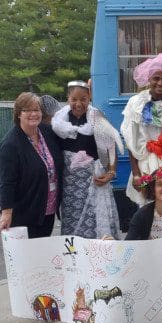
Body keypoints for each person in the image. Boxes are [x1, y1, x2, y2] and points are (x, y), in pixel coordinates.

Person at [51, 81, 123, 239]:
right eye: (74, 99)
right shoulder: (58, 122)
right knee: (72, 223)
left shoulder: (97, 117)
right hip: (69, 186)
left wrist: (111, 172)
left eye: (83, 99)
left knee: (96, 222)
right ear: (68, 98)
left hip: (94, 181)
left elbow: (111, 147)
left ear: (89, 97)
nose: (78, 104)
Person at [120, 53, 162, 206]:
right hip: (147, 160)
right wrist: (136, 174)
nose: (160, 83)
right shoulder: (136, 103)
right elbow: (131, 141)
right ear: (148, 79)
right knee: (148, 205)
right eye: (156, 78)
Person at [0, 92, 64, 238]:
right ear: (19, 114)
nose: (33, 114)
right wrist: (6, 213)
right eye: (28, 110)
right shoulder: (11, 145)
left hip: (47, 210)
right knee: (27, 257)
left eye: (37, 110)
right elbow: (6, 182)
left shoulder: (47, 132)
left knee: (42, 253)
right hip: (25, 213)